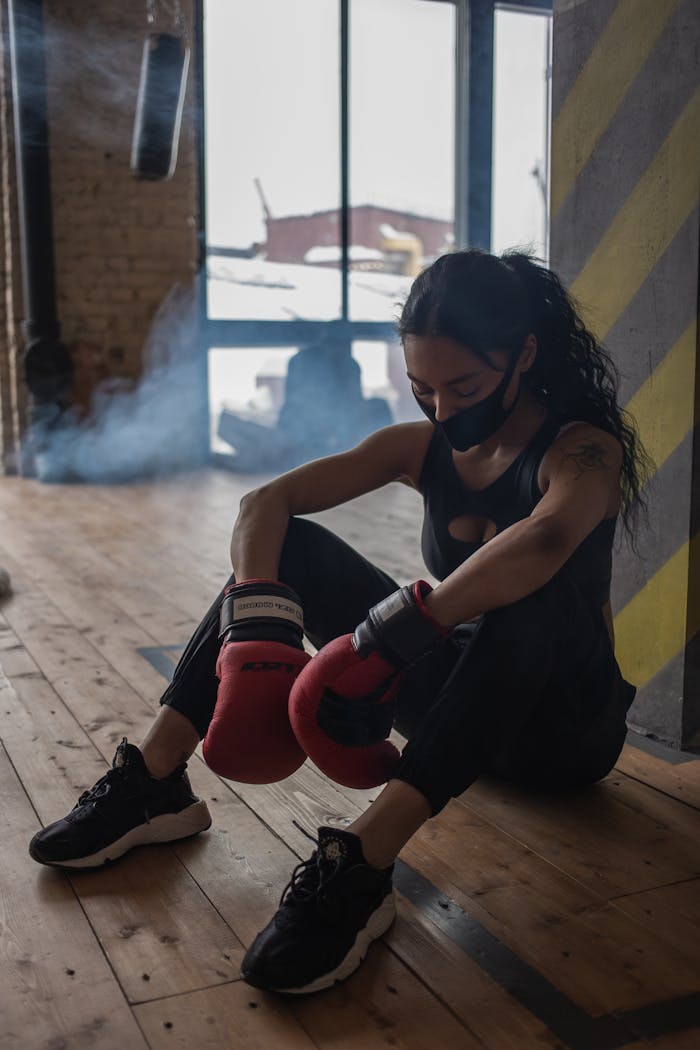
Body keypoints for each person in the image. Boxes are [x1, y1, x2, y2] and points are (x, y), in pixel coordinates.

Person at [29, 250, 649, 996]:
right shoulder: (421, 448)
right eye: (423, 389)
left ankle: (361, 864)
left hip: (565, 735)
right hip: (461, 717)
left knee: (529, 592)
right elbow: (265, 505)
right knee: (279, 556)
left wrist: (395, 635)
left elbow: (545, 541)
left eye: (466, 386)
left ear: (523, 353)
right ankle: (156, 781)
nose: (444, 410)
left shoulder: (584, 450)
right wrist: (257, 622)